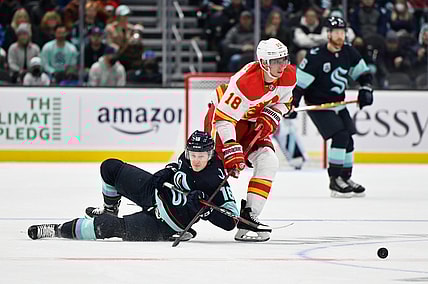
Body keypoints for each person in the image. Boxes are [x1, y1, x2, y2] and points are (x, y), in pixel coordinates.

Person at [28, 131, 238, 242]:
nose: (196, 160)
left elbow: (231, 222)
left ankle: (57, 230)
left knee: (107, 227)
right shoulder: (187, 156)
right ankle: (110, 209)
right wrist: (168, 170)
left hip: (164, 223)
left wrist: (208, 211)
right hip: (154, 194)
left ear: (210, 155)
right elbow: (178, 165)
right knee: (110, 168)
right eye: (193, 155)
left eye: (201, 156)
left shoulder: (216, 179)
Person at [204, 38, 296, 242]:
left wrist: (274, 114)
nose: (282, 65)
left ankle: (249, 217)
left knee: (269, 161)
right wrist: (230, 147)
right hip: (225, 120)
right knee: (212, 170)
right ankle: (180, 209)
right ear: (263, 63)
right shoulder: (245, 82)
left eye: (284, 59)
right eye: (276, 61)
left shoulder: (288, 75)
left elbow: (287, 102)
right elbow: (223, 119)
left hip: (252, 122)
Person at [293, 16, 374, 198]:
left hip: (338, 103)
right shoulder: (316, 56)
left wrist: (366, 89)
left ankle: (346, 178)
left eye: (342, 32)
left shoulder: (349, 52)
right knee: (340, 136)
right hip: (319, 105)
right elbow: (299, 86)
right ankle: (334, 180)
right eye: (336, 32)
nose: (340, 36)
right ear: (328, 34)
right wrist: (292, 104)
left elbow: (364, 76)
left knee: (349, 140)